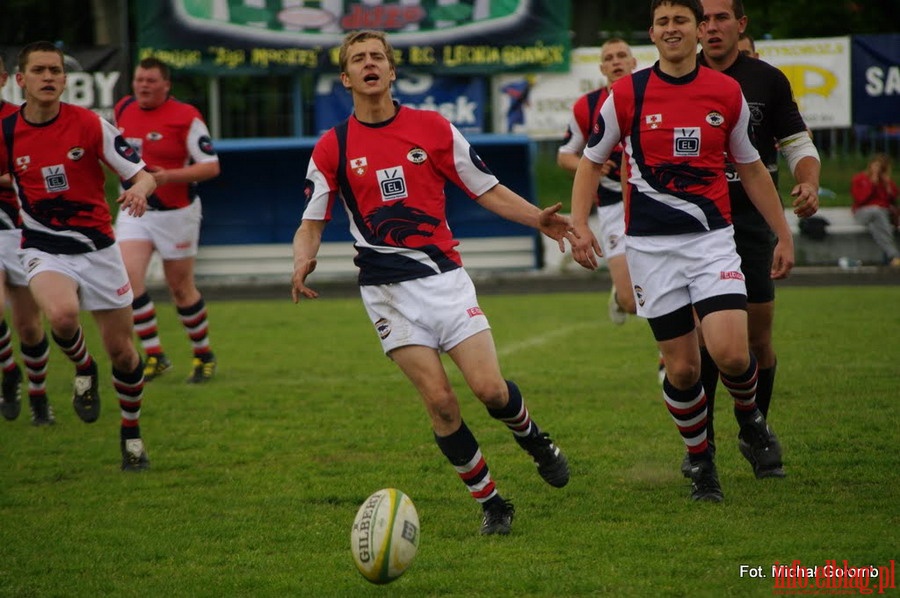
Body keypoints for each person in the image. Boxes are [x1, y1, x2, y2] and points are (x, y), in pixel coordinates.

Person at [292, 30, 573, 534]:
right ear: (346, 77)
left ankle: (534, 439)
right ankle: (492, 504)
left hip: (445, 280)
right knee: (441, 403)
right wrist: (302, 258)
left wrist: (539, 219)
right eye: (358, 59)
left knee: (489, 390)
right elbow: (312, 219)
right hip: (386, 292)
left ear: (393, 71)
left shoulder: (434, 128)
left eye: (378, 56)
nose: (369, 64)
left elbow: (485, 188)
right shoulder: (332, 146)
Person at [569, 0, 794, 502]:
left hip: (712, 240)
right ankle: (701, 461)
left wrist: (783, 232)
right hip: (649, 248)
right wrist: (580, 225)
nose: (673, 29)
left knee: (733, 352)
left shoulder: (725, 91)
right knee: (684, 370)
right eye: (664, 22)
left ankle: (750, 421)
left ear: (699, 31)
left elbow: (753, 167)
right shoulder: (626, 94)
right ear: (652, 32)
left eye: (682, 21)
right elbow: (590, 161)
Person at [0, 41, 157, 469]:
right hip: (42, 247)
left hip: (99, 250)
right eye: (39, 71)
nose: (48, 77)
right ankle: (84, 367)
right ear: (21, 80)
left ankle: (131, 434)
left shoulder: (90, 124)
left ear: (65, 80)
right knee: (63, 316)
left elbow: (142, 174)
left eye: (55, 70)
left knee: (124, 353)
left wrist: (140, 190)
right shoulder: (8, 131)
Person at [696, 0, 820, 478]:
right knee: (704, 340)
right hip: (697, 223)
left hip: (750, 221)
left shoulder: (767, 80)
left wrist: (807, 182)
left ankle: (754, 429)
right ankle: (701, 450)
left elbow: (798, 144)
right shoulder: (673, 79)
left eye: (721, 18)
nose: (711, 27)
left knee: (758, 339)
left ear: (740, 24)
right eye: (702, 19)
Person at [114, 57, 221, 384]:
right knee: (128, 283)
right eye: (139, 79)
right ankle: (155, 354)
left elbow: (211, 166)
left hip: (177, 212)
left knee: (180, 288)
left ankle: (203, 354)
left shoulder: (185, 117)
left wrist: (167, 177)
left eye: (150, 80)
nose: (143, 85)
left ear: (166, 85)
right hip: (136, 209)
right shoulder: (123, 109)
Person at [557, 38, 638, 326]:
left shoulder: (652, 96)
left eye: (621, 55)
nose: (616, 61)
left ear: (633, 63)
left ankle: (668, 359)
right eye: (609, 57)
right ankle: (619, 296)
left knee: (665, 288)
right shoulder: (587, 106)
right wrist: (591, 164)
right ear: (603, 67)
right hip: (612, 204)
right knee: (631, 301)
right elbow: (565, 155)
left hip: (650, 198)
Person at [0, 55, 56, 425]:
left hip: (18, 227)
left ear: (5, 78)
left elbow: (30, 174)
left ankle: (38, 394)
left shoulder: (15, 121)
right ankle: (8, 370)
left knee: (29, 326)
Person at [851, 154, 900, 266]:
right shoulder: (860, 179)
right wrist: (871, 184)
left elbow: (893, 199)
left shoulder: (885, 181)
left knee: (876, 225)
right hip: (863, 213)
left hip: (881, 217)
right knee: (877, 211)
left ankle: (892, 257)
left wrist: (887, 185)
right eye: (876, 166)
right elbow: (860, 199)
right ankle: (895, 255)